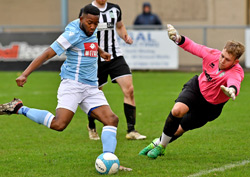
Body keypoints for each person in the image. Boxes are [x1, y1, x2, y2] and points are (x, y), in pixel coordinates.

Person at [0, 4, 126, 168]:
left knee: (111, 120)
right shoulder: (71, 34)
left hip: (90, 87)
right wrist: (25, 74)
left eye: (96, 23)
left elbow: (91, 40)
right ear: (81, 19)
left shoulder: (90, 27)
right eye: (90, 23)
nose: (93, 27)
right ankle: (19, 107)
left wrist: (100, 52)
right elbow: (47, 54)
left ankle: (109, 161)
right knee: (59, 125)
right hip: (72, 85)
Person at [139, 24, 245, 159]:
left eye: (227, 60)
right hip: (196, 89)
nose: (222, 60)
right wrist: (177, 38)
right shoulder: (212, 54)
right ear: (222, 50)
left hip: (210, 108)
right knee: (177, 110)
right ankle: (161, 146)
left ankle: (158, 145)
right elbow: (193, 46)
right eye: (222, 56)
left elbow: (235, 81)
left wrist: (232, 90)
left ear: (235, 61)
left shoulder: (236, 71)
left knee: (178, 130)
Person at [86, 0, 146, 141]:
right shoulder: (87, 10)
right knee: (95, 94)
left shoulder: (115, 9)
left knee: (129, 90)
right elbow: (83, 32)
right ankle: (91, 126)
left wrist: (125, 36)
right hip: (95, 59)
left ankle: (131, 130)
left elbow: (119, 26)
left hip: (115, 56)